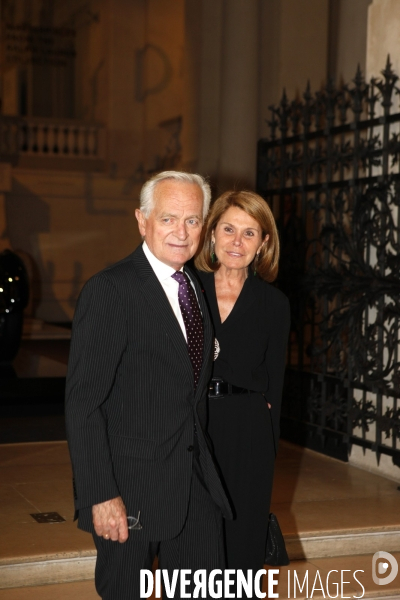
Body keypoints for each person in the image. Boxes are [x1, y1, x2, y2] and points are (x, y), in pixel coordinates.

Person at [65, 171, 231, 600]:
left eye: (193, 220)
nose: (182, 231)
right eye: (168, 219)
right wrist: (100, 494)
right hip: (129, 490)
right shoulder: (111, 290)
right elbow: (83, 404)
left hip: (194, 486)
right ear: (142, 221)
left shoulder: (193, 285)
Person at [195, 190, 290, 574]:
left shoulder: (274, 303)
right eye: (229, 229)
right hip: (193, 425)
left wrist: (269, 443)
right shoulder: (186, 288)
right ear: (212, 233)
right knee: (194, 537)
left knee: (242, 540)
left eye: (250, 233)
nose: (237, 242)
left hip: (248, 430)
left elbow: (277, 381)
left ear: (264, 243)